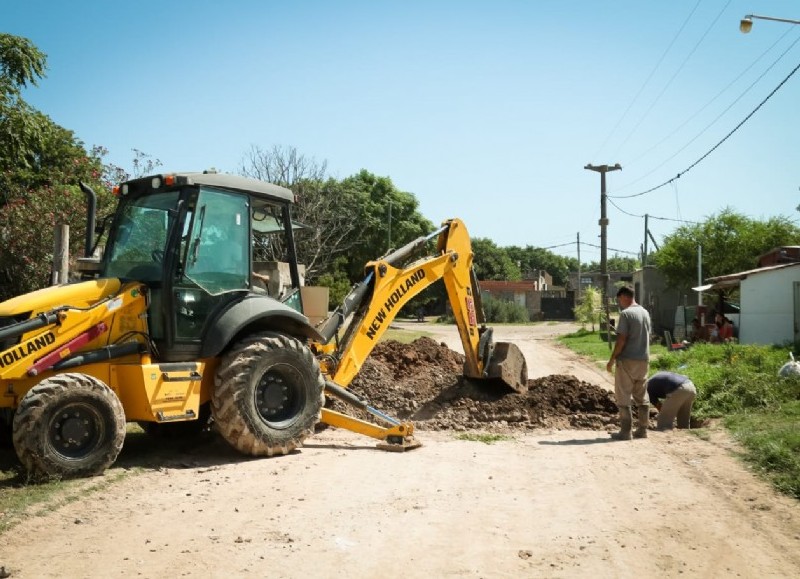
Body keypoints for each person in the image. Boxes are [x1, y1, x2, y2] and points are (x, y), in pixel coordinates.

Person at [606, 286, 652, 440]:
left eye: (619, 299)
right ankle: (643, 429)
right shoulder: (645, 312)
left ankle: (626, 431)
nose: (619, 303)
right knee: (641, 395)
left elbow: (621, 339)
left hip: (627, 360)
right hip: (644, 360)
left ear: (625, 297)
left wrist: (612, 359)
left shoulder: (626, 314)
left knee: (623, 395)